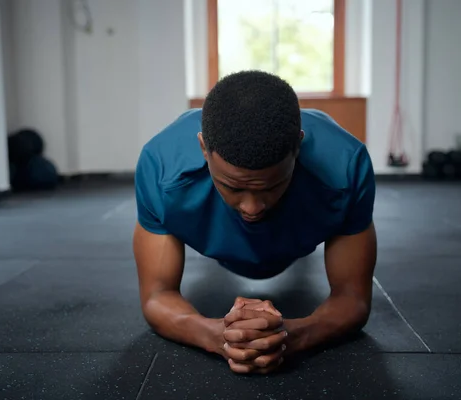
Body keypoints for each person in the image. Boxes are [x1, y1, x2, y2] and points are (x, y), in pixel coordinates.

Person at [132, 70, 377, 375]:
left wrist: (290, 336)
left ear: (298, 147)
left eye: (271, 186)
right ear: (203, 149)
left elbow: (353, 298)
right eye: (233, 187)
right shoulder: (160, 166)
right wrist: (214, 336)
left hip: (295, 242)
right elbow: (157, 296)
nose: (252, 208)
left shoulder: (347, 165)